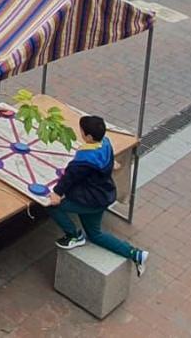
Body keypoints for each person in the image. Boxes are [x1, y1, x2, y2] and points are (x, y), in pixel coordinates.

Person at [47, 115, 148, 274]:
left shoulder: (84, 160)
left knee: (53, 208)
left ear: (88, 136)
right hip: (104, 195)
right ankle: (135, 253)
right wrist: (110, 164)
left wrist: (57, 194)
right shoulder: (105, 143)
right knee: (95, 234)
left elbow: (69, 177)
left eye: (81, 131)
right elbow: (108, 158)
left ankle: (74, 235)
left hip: (89, 199)